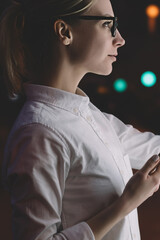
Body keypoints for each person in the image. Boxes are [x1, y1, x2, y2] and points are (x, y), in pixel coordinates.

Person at [1, 0, 160, 239]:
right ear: (65, 32)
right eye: (108, 24)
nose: (120, 39)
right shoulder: (38, 132)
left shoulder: (91, 117)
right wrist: (125, 204)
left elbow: (154, 148)